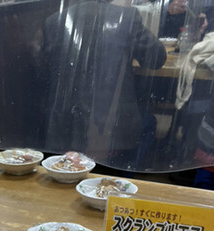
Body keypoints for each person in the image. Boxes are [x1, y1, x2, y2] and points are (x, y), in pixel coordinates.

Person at [40, 0, 167, 169]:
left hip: (64, 127)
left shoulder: (54, 20)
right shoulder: (126, 16)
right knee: (149, 124)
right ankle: (122, 175)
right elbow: (157, 58)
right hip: (108, 129)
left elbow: (44, 72)